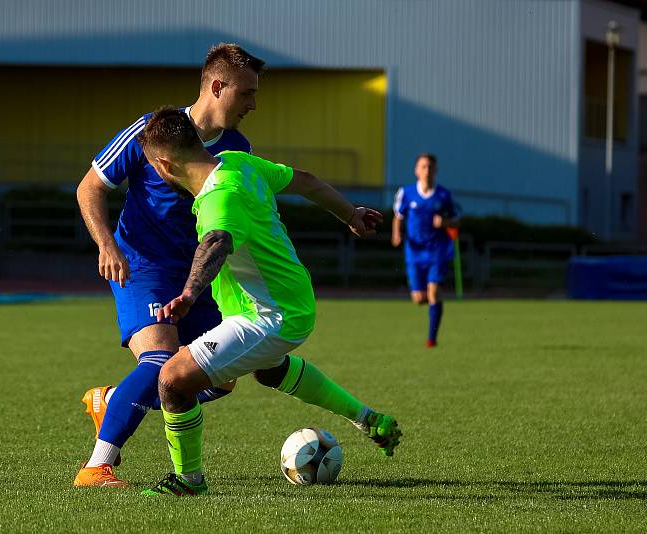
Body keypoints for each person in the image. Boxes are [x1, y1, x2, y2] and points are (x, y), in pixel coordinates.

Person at [135, 107, 402, 496]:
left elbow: (217, 242)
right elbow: (306, 180)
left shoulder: (219, 197)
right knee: (270, 370)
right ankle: (367, 418)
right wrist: (351, 214)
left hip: (270, 314)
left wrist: (189, 294)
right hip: (285, 300)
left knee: (173, 381)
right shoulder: (238, 163)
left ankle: (188, 481)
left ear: (162, 163)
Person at [73, 44, 264, 488]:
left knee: (219, 377)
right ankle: (97, 465)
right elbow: (89, 187)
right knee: (160, 359)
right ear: (217, 87)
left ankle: (115, 399)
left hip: (197, 275)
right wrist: (107, 245)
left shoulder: (239, 147)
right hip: (142, 262)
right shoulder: (151, 131)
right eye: (247, 93)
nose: (254, 104)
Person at [391, 153, 459, 348]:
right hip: (414, 251)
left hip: (438, 249)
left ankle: (432, 338)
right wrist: (396, 234)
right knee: (419, 298)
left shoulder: (444, 195)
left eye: (430, 167)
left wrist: (445, 222)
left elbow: (457, 219)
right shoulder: (406, 192)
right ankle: (431, 302)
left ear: (436, 170)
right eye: (423, 166)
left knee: (433, 291)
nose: (427, 170)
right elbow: (398, 216)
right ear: (416, 170)